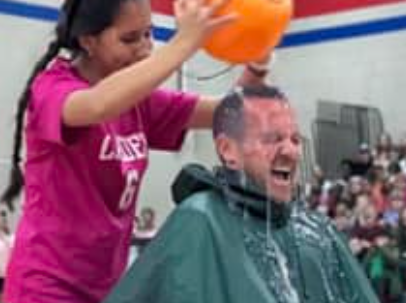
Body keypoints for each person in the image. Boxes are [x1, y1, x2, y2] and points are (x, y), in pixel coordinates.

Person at [0, 0, 270, 302]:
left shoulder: (140, 102)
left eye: (148, 34)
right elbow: (97, 105)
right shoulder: (52, 89)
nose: (144, 49)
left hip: (109, 288)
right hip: (47, 287)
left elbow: (230, 113)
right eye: (129, 39)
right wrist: (182, 45)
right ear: (89, 41)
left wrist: (256, 66)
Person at [105, 85, 379, 303]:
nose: (292, 152)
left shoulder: (315, 228)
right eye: (273, 139)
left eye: (295, 140)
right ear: (227, 150)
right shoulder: (200, 221)